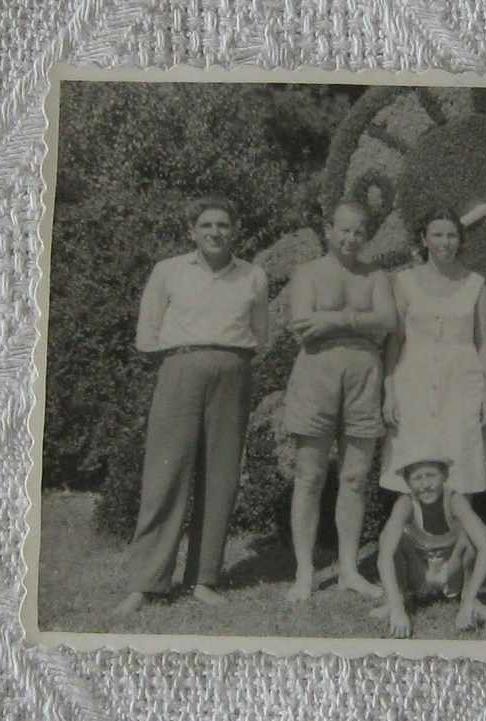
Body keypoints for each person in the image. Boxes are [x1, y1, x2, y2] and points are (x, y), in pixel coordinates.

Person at [113, 195, 269, 616]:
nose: (215, 232)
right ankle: (146, 582)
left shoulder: (253, 276)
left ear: (234, 230)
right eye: (207, 225)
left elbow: (261, 334)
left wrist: (228, 361)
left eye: (223, 225)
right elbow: (147, 331)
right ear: (192, 231)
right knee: (165, 472)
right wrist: (179, 355)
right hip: (179, 367)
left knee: (221, 476)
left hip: (233, 370)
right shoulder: (168, 272)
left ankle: (204, 578)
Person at [283, 200, 396, 602]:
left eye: (359, 231)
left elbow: (388, 321)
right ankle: (304, 572)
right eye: (344, 230)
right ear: (328, 229)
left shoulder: (377, 276)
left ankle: (349, 569)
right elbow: (303, 327)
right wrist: (358, 322)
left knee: (355, 477)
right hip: (317, 375)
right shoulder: (308, 273)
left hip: (365, 376)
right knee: (310, 475)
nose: (351, 238)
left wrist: (334, 319)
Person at [380, 207, 486, 496]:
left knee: (461, 463)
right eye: (438, 235)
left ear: (461, 240)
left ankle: (460, 538)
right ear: (424, 238)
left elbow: (485, 343)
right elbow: (394, 340)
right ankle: (414, 538)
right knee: (413, 461)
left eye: (452, 235)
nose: (445, 242)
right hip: (414, 383)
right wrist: (390, 391)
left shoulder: (476, 285)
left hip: (461, 385)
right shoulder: (404, 282)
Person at [371, 448, 486, 638]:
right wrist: (397, 610)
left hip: (451, 572)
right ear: (407, 482)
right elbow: (385, 556)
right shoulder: (405, 504)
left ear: (444, 475)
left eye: (431, 475)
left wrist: (470, 599)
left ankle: (468, 600)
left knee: (470, 538)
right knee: (390, 540)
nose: (425, 485)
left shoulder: (455, 500)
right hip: (419, 573)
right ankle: (398, 600)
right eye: (417, 478)